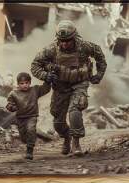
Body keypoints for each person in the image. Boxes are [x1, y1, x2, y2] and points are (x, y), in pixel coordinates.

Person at [31, 20, 107, 156]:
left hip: (79, 83)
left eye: (68, 41)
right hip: (60, 87)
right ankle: (67, 138)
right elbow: (35, 65)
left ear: (75, 37)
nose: (64, 44)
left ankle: (76, 145)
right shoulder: (51, 49)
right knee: (58, 122)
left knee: (75, 110)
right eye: (62, 41)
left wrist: (99, 75)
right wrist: (46, 75)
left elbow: (100, 57)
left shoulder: (84, 46)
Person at [6, 72, 51, 160]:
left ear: (30, 83)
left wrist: (48, 81)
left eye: (27, 83)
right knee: (23, 137)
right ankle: (28, 141)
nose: (25, 85)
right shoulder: (13, 93)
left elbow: (45, 89)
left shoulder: (35, 90)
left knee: (31, 129)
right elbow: (9, 104)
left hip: (32, 116)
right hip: (20, 117)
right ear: (18, 84)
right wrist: (12, 107)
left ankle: (29, 151)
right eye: (22, 83)